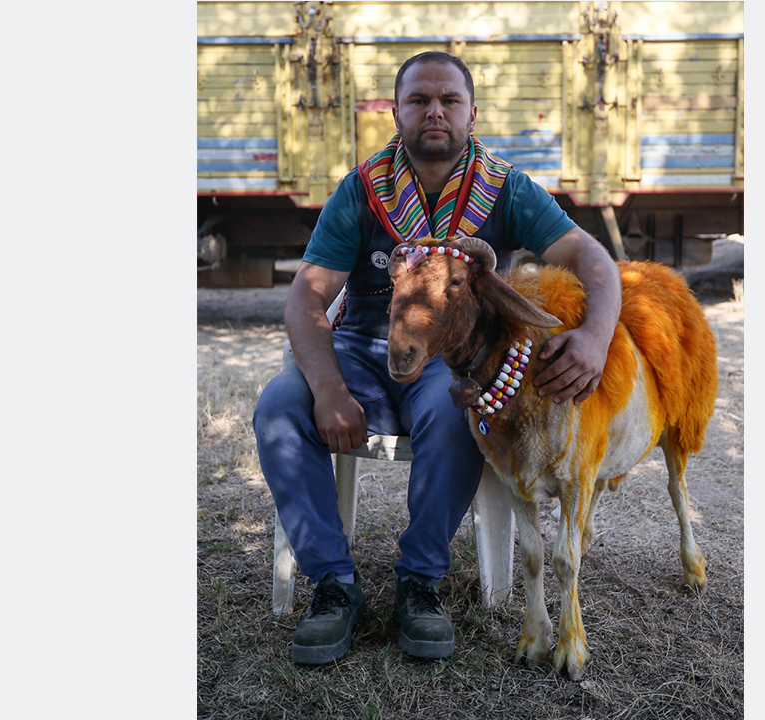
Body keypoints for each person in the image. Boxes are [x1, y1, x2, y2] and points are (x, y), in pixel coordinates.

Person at [253, 51, 622, 665]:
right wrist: (327, 387)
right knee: (278, 409)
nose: (434, 112)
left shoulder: (507, 189)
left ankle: (419, 583)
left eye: (448, 101)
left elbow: (594, 261)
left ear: (471, 113)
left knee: (462, 412)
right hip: (361, 352)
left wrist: (594, 338)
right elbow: (306, 298)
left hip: (453, 364)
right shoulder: (363, 190)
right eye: (419, 100)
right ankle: (333, 584)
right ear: (395, 112)